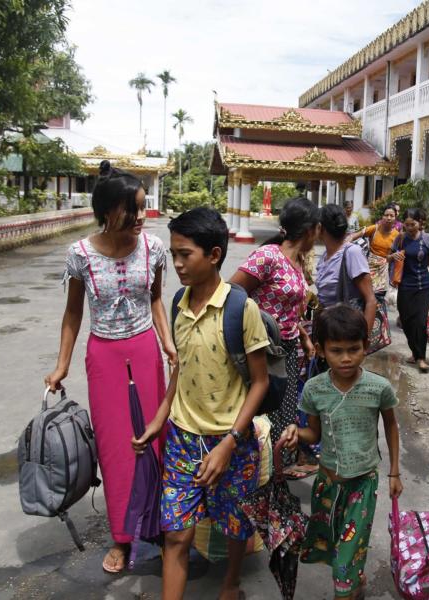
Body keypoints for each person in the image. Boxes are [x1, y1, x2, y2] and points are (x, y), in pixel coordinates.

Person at [132, 207, 269, 600]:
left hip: (233, 441)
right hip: (182, 440)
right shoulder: (177, 303)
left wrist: (229, 442)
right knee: (176, 535)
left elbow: (259, 383)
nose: (176, 264)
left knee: (235, 524)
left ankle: (230, 584)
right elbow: (181, 370)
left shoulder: (242, 310)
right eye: (173, 254)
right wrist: (161, 418)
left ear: (213, 255)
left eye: (184, 254)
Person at [45, 160, 175, 574]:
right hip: (104, 356)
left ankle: (156, 525)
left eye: (142, 208)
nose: (141, 218)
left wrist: (168, 342)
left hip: (145, 351)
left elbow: (155, 299)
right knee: (116, 448)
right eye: (132, 210)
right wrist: (61, 365)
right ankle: (121, 537)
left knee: (154, 439)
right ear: (108, 212)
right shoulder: (80, 255)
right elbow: (72, 315)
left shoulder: (153, 249)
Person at [281, 305, 402, 600]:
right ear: (321, 350)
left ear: (366, 346)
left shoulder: (378, 388)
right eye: (337, 350)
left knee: (343, 567)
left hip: (362, 484)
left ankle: (347, 587)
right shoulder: (313, 389)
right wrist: (297, 435)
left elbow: (391, 427)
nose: (346, 358)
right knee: (338, 546)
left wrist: (395, 472)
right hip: (328, 484)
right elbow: (314, 434)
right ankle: (354, 579)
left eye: (353, 349)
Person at [230, 197, 319, 447]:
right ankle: (257, 476)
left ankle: (277, 475)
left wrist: (303, 335)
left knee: (284, 415)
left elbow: (288, 308)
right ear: (310, 229)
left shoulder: (299, 261)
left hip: (288, 350)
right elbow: (231, 294)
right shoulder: (268, 256)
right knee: (261, 416)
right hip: (262, 351)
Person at [389, 208, 429, 373]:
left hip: (423, 287)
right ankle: (414, 351)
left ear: (420, 223)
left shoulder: (428, 239)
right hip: (404, 286)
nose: (409, 227)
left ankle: (421, 358)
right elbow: (389, 256)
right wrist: (393, 257)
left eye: (413, 224)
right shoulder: (400, 238)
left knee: (420, 322)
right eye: (407, 224)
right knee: (406, 321)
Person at [316, 204, 377, 333]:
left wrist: (363, 339)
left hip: (347, 330)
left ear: (320, 228)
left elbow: (371, 300)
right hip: (328, 328)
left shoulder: (351, 253)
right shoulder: (325, 255)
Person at [348, 205, 401, 296]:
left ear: (395, 218)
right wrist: (345, 242)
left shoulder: (397, 235)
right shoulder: (375, 228)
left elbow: (399, 254)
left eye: (391, 216)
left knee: (378, 297)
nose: (388, 218)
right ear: (382, 216)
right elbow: (355, 235)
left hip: (384, 270)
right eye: (386, 215)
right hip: (368, 267)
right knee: (363, 294)